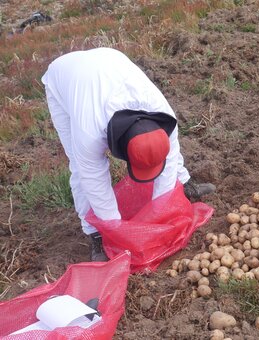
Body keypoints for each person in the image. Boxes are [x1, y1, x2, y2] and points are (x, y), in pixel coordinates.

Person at [42, 48, 216, 262]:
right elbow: (94, 182)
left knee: (171, 163)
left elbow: (169, 159)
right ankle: (94, 233)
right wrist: (117, 235)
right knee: (80, 167)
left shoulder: (164, 115)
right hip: (64, 78)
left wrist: (163, 216)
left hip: (109, 59)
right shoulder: (89, 133)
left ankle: (185, 185)